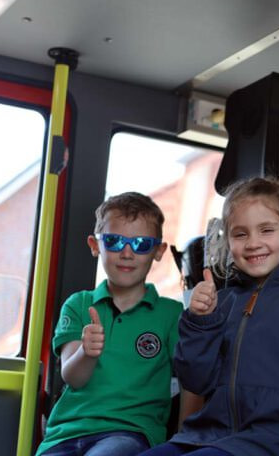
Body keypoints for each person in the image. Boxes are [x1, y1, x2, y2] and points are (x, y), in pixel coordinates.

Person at [139, 177, 279, 456]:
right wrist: (200, 322)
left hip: (274, 440)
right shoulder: (223, 301)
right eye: (240, 234)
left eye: (266, 230)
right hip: (206, 434)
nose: (253, 243)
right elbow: (196, 380)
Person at [36, 192, 184, 456]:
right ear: (95, 246)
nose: (127, 253)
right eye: (114, 242)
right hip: (66, 433)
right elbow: (73, 377)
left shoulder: (171, 314)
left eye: (141, 244)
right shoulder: (79, 304)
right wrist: (87, 353)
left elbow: (194, 379)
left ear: (158, 251)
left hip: (129, 433)